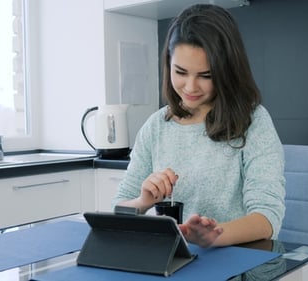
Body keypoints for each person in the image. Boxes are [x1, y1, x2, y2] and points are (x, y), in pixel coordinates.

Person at [113, 4, 285, 248]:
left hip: (233, 260)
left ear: (227, 71)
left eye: (206, 75)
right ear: (168, 63)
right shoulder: (156, 126)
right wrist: (143, 201)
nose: (191, 87)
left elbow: (267, 219)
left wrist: (215, 236)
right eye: (180, 72)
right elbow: (118, 210)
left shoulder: (253, 121)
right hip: (173, 263)